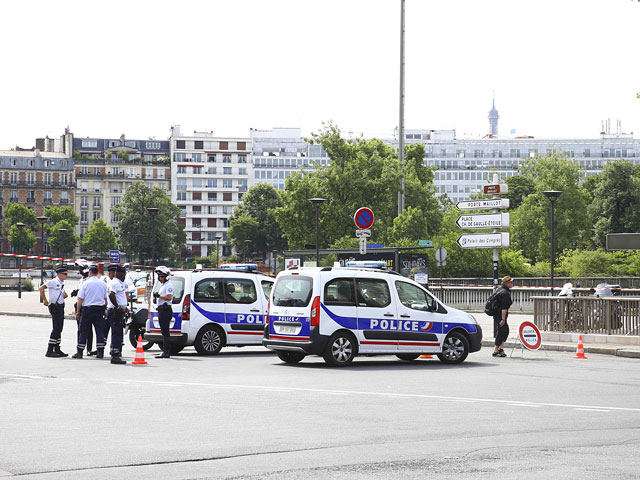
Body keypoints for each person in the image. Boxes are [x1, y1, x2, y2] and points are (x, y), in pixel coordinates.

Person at [72, 265, 107, 359]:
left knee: (83, 330)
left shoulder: (85, 283)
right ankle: (100, 352)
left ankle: (79, 352)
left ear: (90, 273)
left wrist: (78, 311)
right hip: (99, 309)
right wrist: (105, 310)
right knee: (99, 331)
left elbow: (80, 299)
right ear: (97, 273)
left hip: (87, 309)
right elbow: (105, 299)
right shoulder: (103, 284)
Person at [39, 266, 69, 358]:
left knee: (59, 328)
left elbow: (60, 294)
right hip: (55, 307)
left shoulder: (61, 283)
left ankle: (57, 348)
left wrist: (64, 295)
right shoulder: (53, 281)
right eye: (65, 274)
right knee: (56, 328)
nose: (66, 276)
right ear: (59, 274)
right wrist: (44, 300)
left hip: (60, 306)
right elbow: (41, 288)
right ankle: (49, 349)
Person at [71, 260, 95, 356]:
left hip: (87, 306)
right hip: (80, 305)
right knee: (80, 329)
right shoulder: (81, 280)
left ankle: (89, 349)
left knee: (88, 329)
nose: (79, 270)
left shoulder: (90, 281)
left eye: (80, 268)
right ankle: (79, 348)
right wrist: (76, 291)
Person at [107, 265, 128, 365]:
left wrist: (124, 307)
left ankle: (117, 353)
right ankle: (115, 355)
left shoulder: (119, 283)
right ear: (120, 274)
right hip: (115, 312)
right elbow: (111, 295)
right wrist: (117, 307)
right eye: (124, 274)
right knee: (116, 333)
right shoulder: (115, 283)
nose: (125, 276)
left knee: (119, 333)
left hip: (119, 311)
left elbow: (120, 297)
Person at [154, 266, 174, 359]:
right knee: (164, 331)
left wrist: (159, 296)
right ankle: (166, 351)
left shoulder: (169, 285)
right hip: (162, 309)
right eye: (160, 277)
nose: (160, 278)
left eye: (162, 277)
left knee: (165, 332)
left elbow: (169, 297)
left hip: (165, 310)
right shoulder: (164, 285)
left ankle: (166, 352)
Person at [492, 276, 514, 358]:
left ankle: (500, 349)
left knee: (504, 331)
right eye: (511, 282)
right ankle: (496, 350)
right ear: (507, 283)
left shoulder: (500, 289)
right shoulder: (505, 293)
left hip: (497, 314)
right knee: (501, 332)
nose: (512, 284)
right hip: (500, 316)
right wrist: (503, 319)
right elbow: (504, 308)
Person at [102, 265, 117, 346]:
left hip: (114, 309)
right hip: (108, 309)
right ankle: (101, 349)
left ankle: (116, 349)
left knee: (115, 331)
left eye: (110, 273)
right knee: (104, 330)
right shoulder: (106, 282)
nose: (108, 274)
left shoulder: (116, 283)